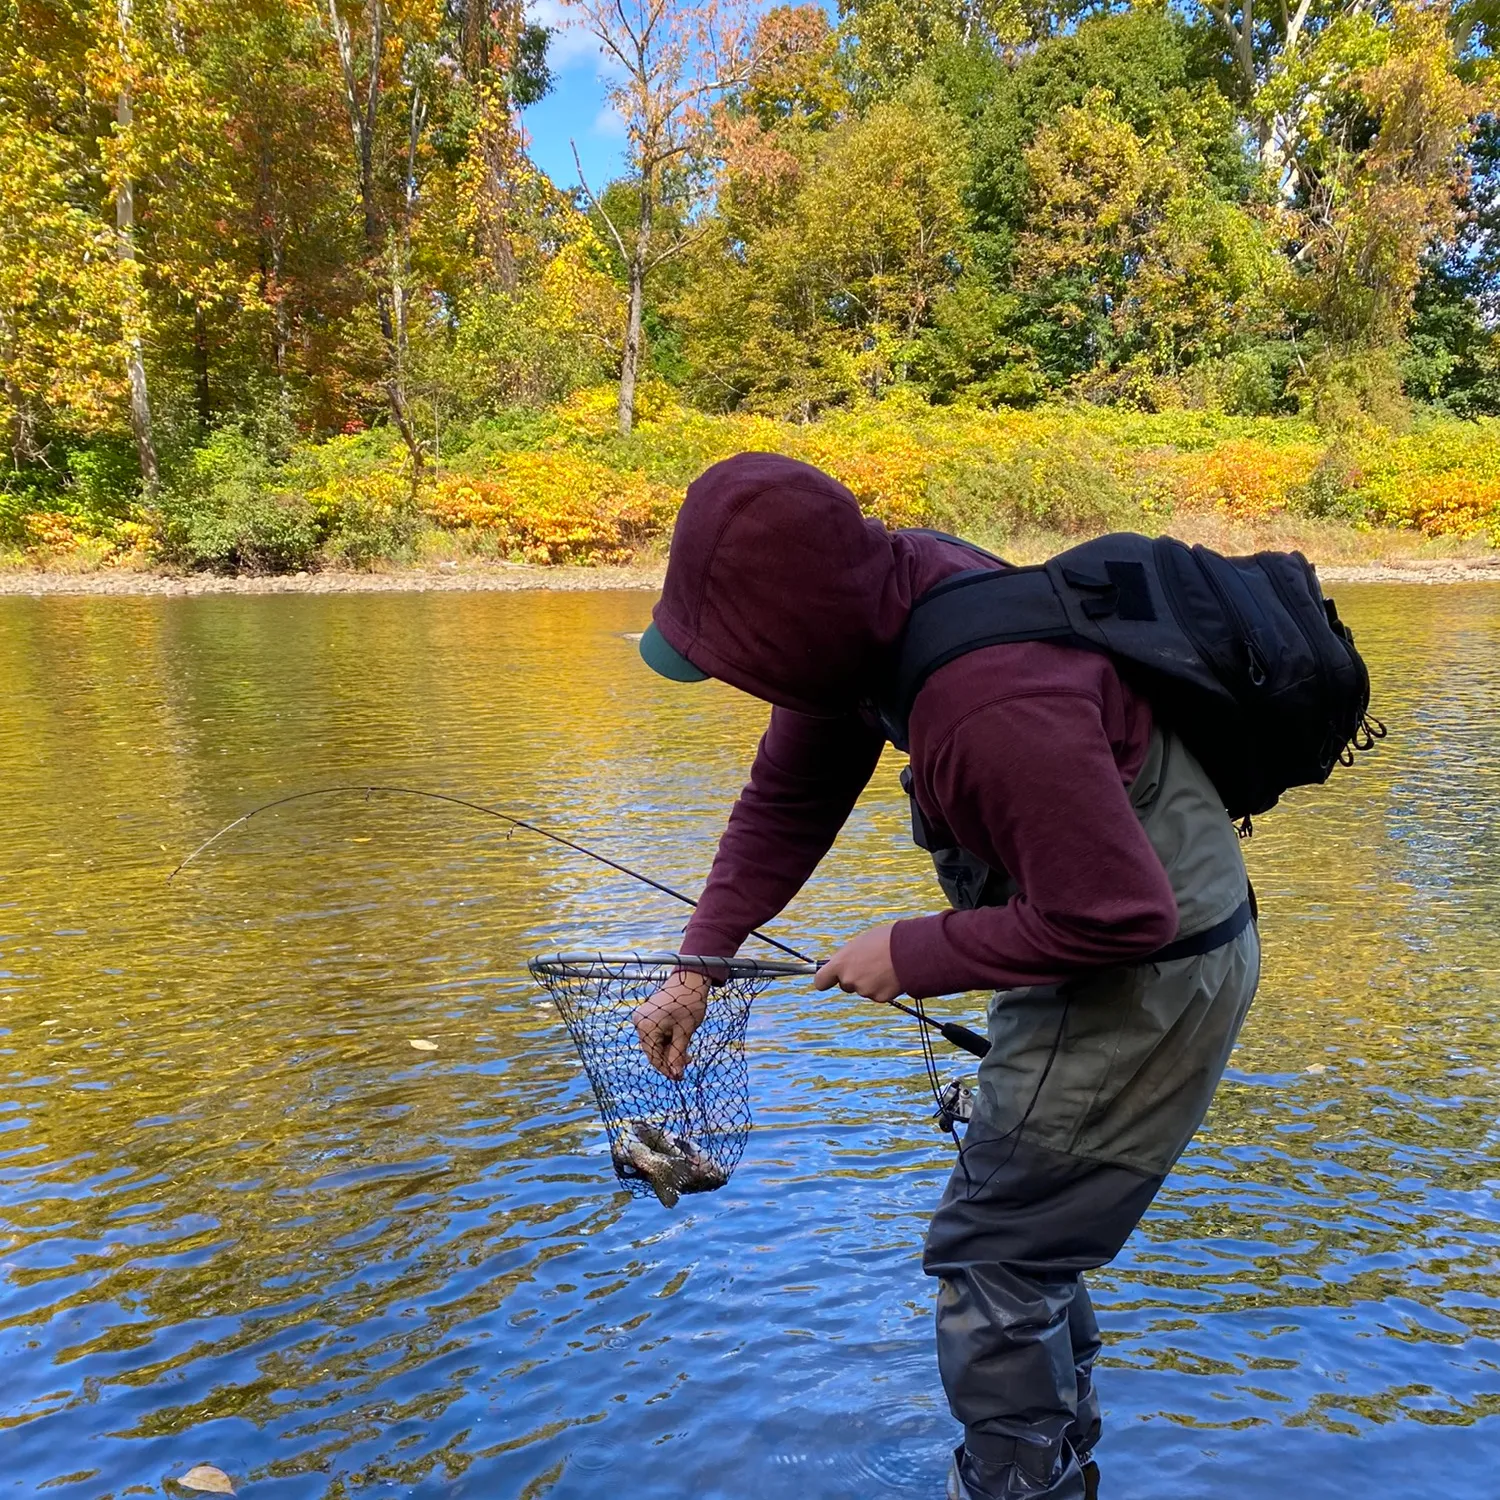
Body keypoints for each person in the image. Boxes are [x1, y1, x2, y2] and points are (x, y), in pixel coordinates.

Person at [632, 452, 1259, 1500]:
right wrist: (702, 961)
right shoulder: (881, 599)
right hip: (1086, 936)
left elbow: (1121, 913)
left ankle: (1020, 1486)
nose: (738, 681)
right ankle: (1066, 1456)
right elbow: (789, 798)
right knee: (1025, 1236)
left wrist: (911, 953)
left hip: (1149, 966)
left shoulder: (987, 701)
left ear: (792, 632)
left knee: (992, 1257)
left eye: (740, 659)